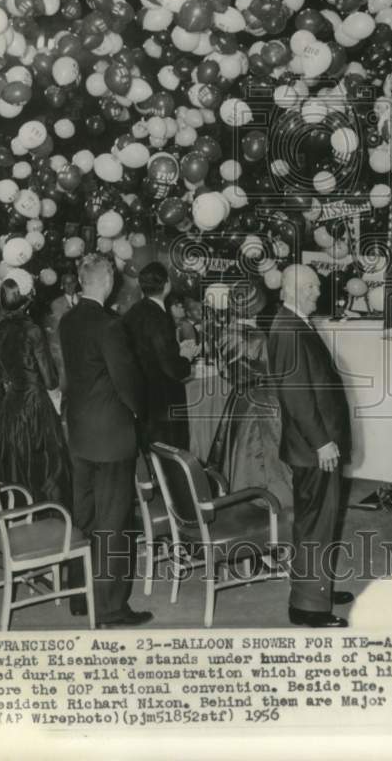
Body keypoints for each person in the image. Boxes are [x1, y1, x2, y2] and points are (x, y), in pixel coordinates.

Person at [60, 254, 152, 628]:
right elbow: (126, 380)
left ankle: (82, 596)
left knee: (86, 516)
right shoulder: (110, 325)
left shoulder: (68, 321)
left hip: (79, 432)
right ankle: (111, 608)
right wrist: (138, 411)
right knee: (114, 521)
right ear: (108, 282)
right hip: (111, 435)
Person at [268, 264, 353, 628]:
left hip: (314, 445)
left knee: (318, 520)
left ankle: (316, 589)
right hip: (314, 448)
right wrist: (322, 443)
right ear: (299, 289)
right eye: (315, 287)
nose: (319, 292)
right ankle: (309, 608)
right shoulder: (288, 328)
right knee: (317, 523)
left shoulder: (293, 323)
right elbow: (296, 395)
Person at [0, 276, 70, 507]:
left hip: (10, 408)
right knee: (47, 470)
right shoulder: (32, 330)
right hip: (35, 406)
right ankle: (51, 521)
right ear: (27, 301)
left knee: (16, 467)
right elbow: (50, 378)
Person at [207, 279, 292, 508]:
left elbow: (224, 371)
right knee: (265, 452)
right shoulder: (258, 337)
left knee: (241, 451)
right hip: (263, 400)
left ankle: (243, 494)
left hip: (239, 399)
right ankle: (268, 499)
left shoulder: (225, 333)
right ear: (259, 306)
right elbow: (271, 371)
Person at [123, 262, 199, 449]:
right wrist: (186, 358)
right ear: (166, 285)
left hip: (143, 399)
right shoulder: (160, 317)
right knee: (173, 456)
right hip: (165, 403)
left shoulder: (132, 313)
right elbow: (171, 368)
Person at [44, 271, 79, 392]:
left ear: (76, 283)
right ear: (62, 285)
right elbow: (59, 326)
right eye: (66, 284)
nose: (69, 286)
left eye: (72, 283)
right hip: (67, 348)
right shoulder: (56, 304)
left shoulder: (84, 299)